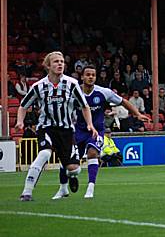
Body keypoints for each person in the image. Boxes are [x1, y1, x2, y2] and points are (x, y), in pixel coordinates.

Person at [53, 64, 149, 199]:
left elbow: (123, 102)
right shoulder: (74, 93)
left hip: (96, 131)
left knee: (92, 153)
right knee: (69, 164)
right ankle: (64, 187)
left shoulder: (104, 92)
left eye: (93, 75)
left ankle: (90, 188)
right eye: (88, 75)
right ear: (82, 77)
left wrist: (137, 114)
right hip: (78, 131)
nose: (90, 77)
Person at [15, 51, 98, 202]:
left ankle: (71, 176)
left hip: (66, 130)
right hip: (46, 127)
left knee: (74, 170)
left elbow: (84, 106)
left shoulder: (71, 84)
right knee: (45, 153)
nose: (60, 64)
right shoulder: (38, 86)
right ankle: (27, 192)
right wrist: (20, 121)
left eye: (62, 61)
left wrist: (90, 124)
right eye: (56, 61)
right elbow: (23, 106)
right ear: (47, 65)